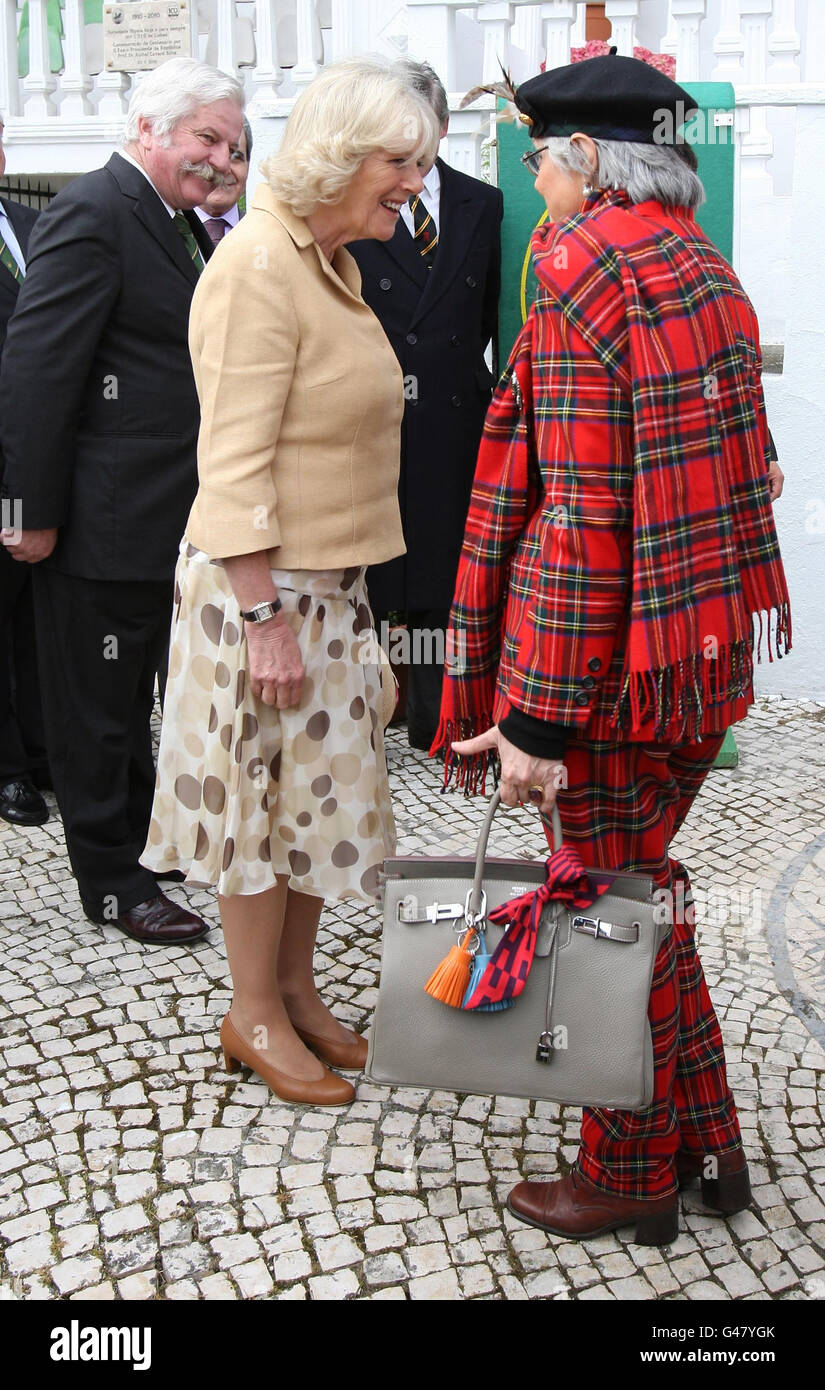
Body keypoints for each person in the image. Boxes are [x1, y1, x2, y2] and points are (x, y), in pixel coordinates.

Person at [432, 54, 791, 1244]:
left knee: (602, 907)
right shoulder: (703, 264)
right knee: (640, 894)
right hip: (690, 658)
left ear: (586, 155)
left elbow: (586, 510)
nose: (535, 180)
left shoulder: (580, 263)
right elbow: (751, 472)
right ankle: (712, 1143)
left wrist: (535, 718)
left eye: (540, 157)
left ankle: (627, 1169)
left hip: (605, 681)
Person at [140, 59, 440, 1106]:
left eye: (421, 163)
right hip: (261, 595)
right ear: (339, 155)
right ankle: (252, 1011)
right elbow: (232, 461)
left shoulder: (327, 260)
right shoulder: (259, 262)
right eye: (399, 161)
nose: (415, 182)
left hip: (327, 589)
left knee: (313, 806)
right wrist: (264, 615)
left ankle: (297, 993)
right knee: (256, 817)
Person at [0, 57, 243, 944]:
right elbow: (37, 370)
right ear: (148, 130)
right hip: (97, 523)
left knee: (139, 699)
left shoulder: (172, 220)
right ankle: (111, 884)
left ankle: (145, 844)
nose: (221, 158)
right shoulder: (95, 210)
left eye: (233, 145)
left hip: (163, 518)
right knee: (96, 716)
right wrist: (27, 513)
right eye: (206, 138)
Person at [349, 60, 503, 753]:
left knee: (443, 568)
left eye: (420, 126)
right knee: (379, 572)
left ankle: (438, 718)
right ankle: (370, 712)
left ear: (441, 126)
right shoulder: (357, 205)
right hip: (375, 420)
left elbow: (488, 317)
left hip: (452, 419)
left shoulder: (482, 204)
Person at [0, 119, 49, 828]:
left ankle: (44, 753)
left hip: (41, 460)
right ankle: (8, 769)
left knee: (39, 619)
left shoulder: (37, 224)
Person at [193, 115, 252, 245]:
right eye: (210, 156)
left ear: (248, 167)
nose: (223, 168)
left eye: (235, 156)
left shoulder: (264, 237)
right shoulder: (168, 231)